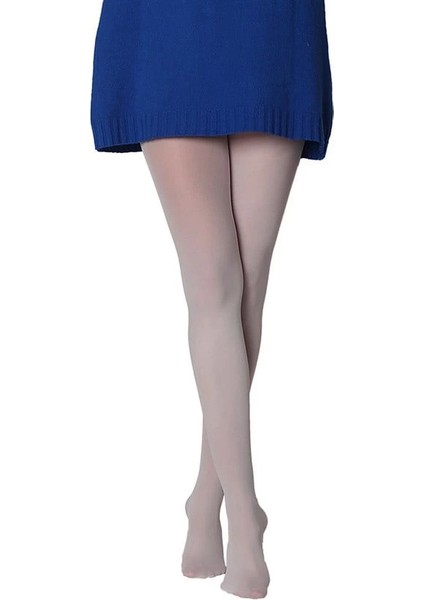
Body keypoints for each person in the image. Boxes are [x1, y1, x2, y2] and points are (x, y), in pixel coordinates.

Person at [90, 3, 334, 598]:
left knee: (246, 283)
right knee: (215, 280)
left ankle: (206, 495)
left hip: (272, 22)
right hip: (166, 21)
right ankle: (244, 516)